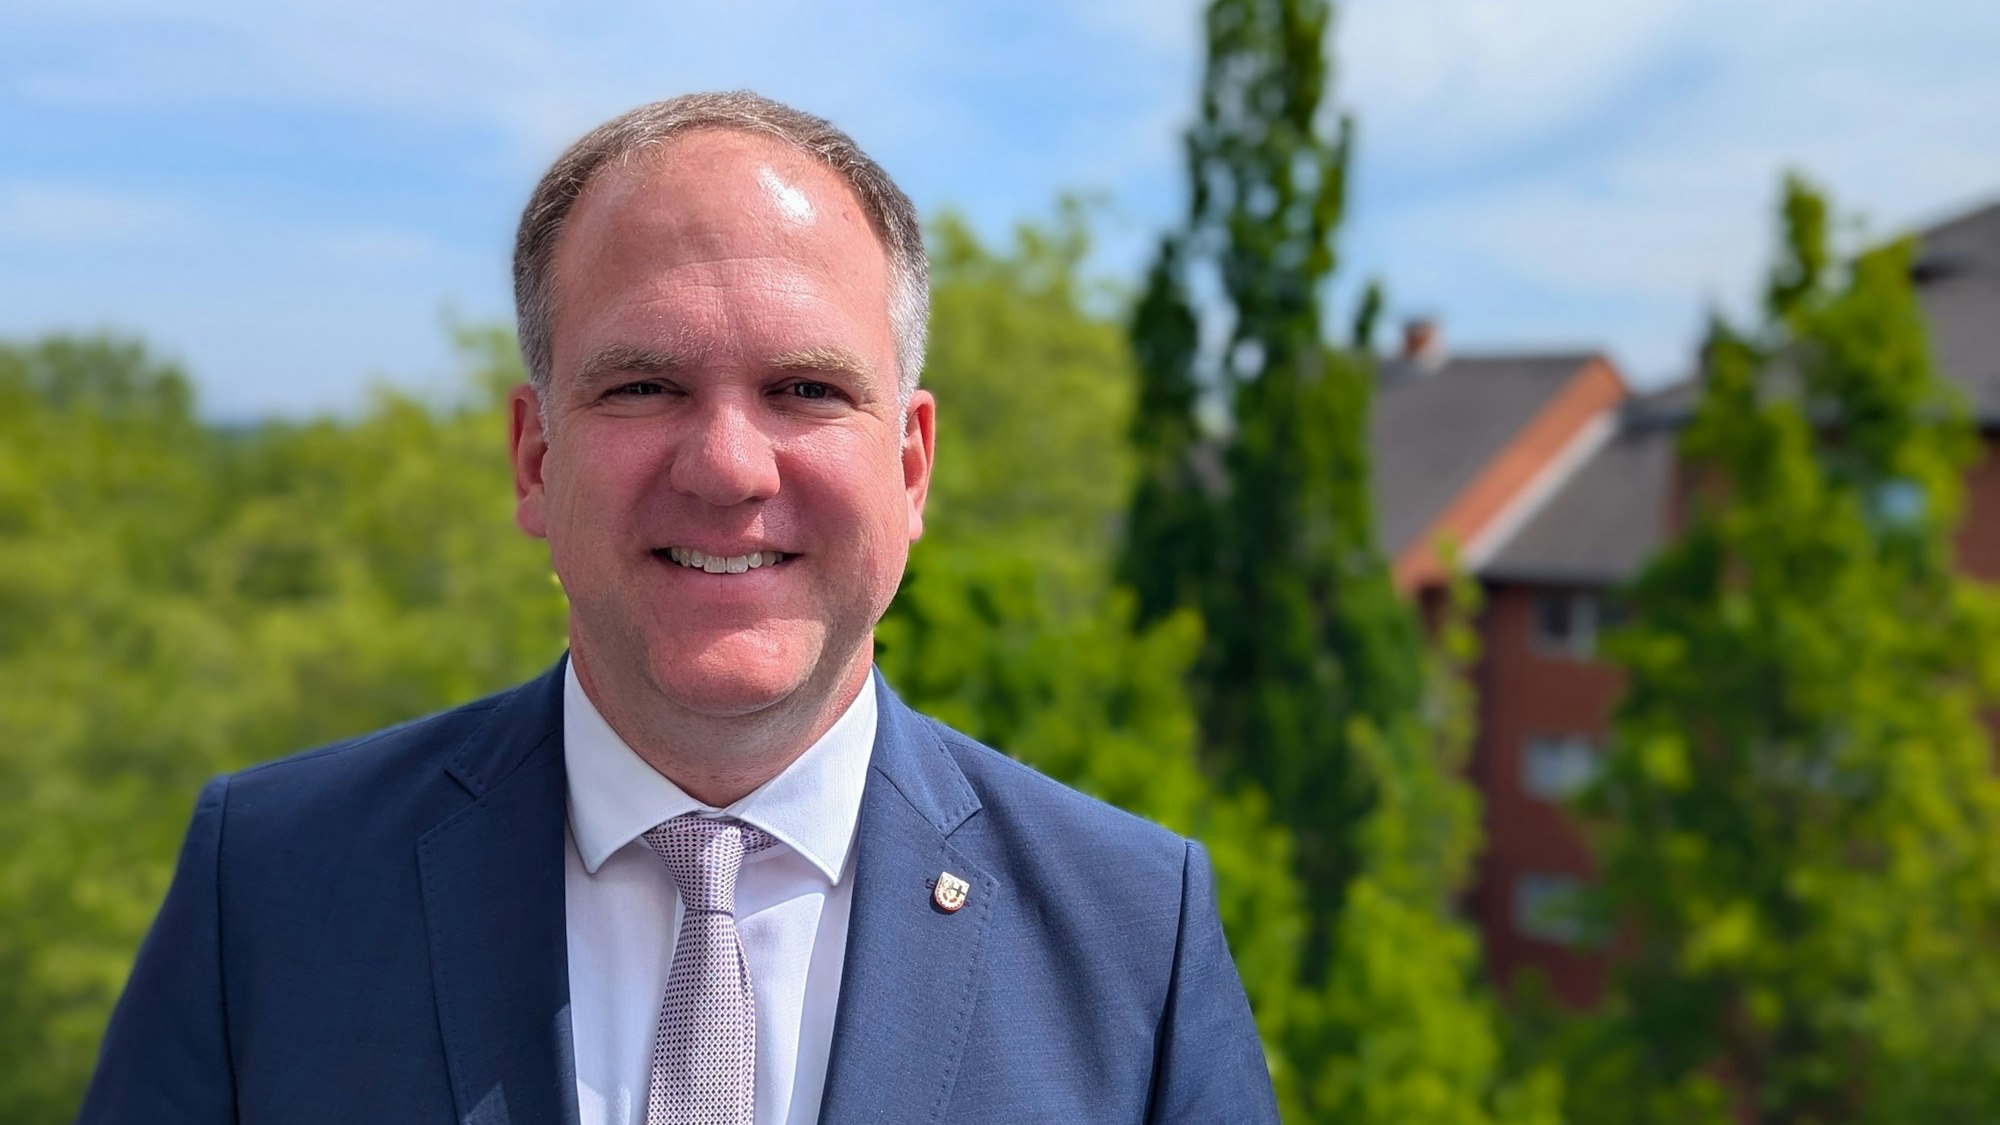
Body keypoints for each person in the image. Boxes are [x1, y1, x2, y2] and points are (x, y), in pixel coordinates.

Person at [78, 91, 1277, 1125]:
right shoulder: (275, 890)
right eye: (645, 384)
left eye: (806, 388)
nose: (726, 466)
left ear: (909, 469)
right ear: (534, 458)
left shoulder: (1133, 939)